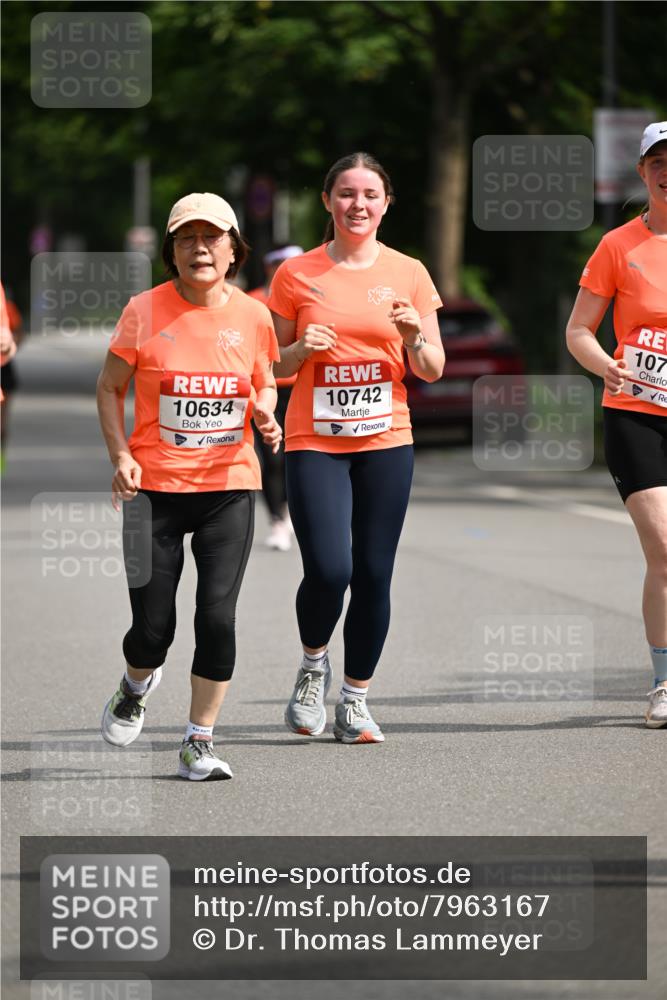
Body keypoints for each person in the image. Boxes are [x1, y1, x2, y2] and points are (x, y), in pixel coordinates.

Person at [97, 192, 282, 779]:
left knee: (217, 617)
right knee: (153, 629)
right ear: (171, 251)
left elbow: (266, 381)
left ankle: (198, 739)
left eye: (211, 238)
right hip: (152, 490)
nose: (199, 248)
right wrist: (121, 454)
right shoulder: (143, 311)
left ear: (233, 250)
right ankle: (135, 683)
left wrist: (265, 410)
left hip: (228, 486)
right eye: (185, 239)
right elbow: (109, 388)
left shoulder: (253, 315)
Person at [268, 152, 444, 744]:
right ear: (328, 202)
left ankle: (356, 699)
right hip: (314, 439)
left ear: (386, 202)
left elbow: (433, 367)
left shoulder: (410, 272)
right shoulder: (296, 275)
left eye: (370, 194)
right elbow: (269, 363)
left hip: (386, 437)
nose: (358, 205)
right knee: (329, 568)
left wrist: (414, 336)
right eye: (346, 193)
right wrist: (299, 352)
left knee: (373, 572)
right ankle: (313, 664)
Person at [566, 121, 667, 729]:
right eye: (659, 160)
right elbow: (578, 330)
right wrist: (608, 367)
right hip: (637, 415)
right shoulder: (617, 245)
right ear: (644, 172)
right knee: (665, 549)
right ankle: (665, 681)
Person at [248, 245, 304, 551]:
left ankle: (291, 511)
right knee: (272, 459)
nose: (288, 267)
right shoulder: (254, 301)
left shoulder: (310, 297)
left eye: (294, 261)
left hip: (300, 389)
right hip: (264, 390)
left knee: (298, 457)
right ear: (269, 267)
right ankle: (277, 521)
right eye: (281, 262)